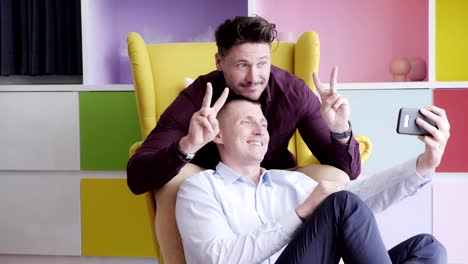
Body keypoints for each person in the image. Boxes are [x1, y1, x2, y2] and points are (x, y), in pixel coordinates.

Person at [128, 15, 361, 262]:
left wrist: (340, 130)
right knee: (174, 181)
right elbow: (137, 177)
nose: (254, 77)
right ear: (219, 61)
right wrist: (188, 145)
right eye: (242, 65)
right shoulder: (196, 98)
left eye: (262, 63)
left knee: (336, 179)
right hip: (215, 184)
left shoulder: (293, 92)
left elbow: (348, 170)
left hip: (275, 178)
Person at [176, 98, 450, 264]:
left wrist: (425, 164)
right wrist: (302, 212)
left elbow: (360, 203)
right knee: (341, 203)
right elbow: (219, 259)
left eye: (263, 123)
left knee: (427, 249)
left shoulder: (289, 182)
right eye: (247, 122)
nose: (260, 129)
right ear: (219, 135)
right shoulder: (200, 187)